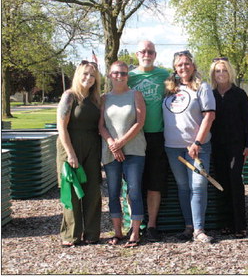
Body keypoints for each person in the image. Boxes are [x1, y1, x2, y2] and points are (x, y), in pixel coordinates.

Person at [163, 50, 216, 243]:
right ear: (175, 68)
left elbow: (209, 115)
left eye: (186, 63)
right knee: (183, 187)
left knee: (198, 185)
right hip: (173, 147)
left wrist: (197, 142)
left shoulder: (202, 87)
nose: (183, 67)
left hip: (197, 148)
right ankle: (189, 227)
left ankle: (199, 230)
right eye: (179, 65)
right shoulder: (170, 88)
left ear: (192, 66)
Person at [99, 61, 146, 248]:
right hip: (111, 153)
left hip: (134, 150)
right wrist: (112, 144)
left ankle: (135, 232)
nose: (120, 76)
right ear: (110, 75)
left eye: (124, 73)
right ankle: (118, 231)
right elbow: (100, 125)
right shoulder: (104, 98)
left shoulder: (135, 95)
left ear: (128, 75)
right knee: (113, 192)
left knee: (134, 191)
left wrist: (121, 143)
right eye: (116, 73)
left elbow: (140, 122)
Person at [56, 60, 102, 247]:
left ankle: (92, 234)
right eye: (85, 74)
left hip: (92, 147)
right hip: (70, 145)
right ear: (78, 75)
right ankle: (71, 235)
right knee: (72, 192)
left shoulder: (96, 99)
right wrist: (71, 154)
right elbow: (61, 127)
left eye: (92, 75)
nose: (88, 78)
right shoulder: (69, 96)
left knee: (93, 191)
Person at [128, 40, 170, 242]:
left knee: (155, 182)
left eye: (151, 51)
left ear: (155, 54)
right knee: (133, 184)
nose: (147, 54)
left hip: (157, 136)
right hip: (133, 136)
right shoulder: (128, 77)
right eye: (143, 51)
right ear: (137, 54)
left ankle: (151, 225)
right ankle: (134, 225)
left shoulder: (164, 75)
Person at [209, 57, 248, 239]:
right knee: (222, 184)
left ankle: (240, 225)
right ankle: (226, 223)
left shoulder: (239, 94)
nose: (221, 74)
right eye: (217, 71)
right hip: (217, 146)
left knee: (235, 181)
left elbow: (247, 121)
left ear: (230, 73)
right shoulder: (210, 95)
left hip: (236, 146)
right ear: (213, 74)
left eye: (224, 70)